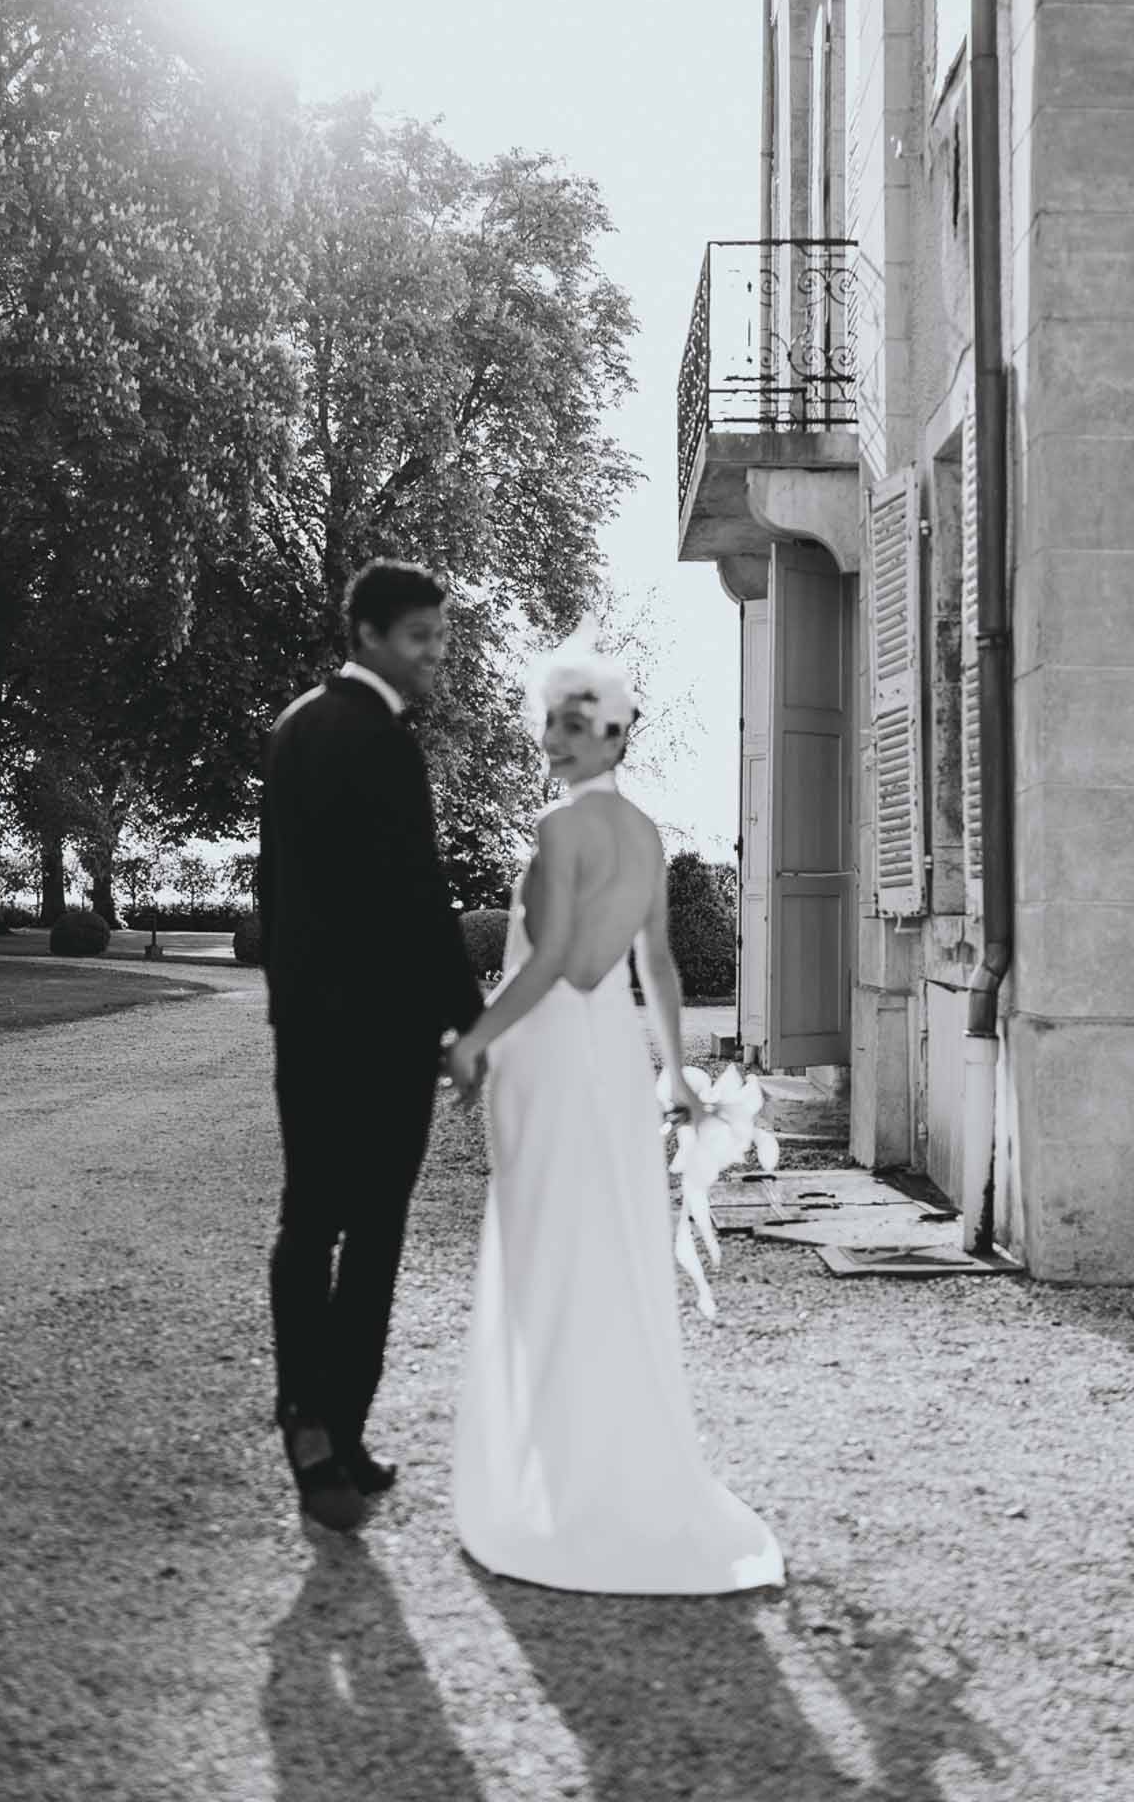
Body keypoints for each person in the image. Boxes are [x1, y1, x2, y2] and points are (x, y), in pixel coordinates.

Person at [447, 631, 784, 1593]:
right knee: (598, 1246)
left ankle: (559, 1481)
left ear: (611, 736)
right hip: (611, 1052)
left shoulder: (560, 833)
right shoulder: (647, 837)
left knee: (551, 1245)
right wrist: (672, 1071)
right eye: (549, 721)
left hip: (551, 1052)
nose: (553, 740)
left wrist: (473, 1039)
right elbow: (655, 967)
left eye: (574, 725)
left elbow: (553, 961)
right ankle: (594, 1463)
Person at [258, 559, 483, 1532]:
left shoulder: (296, 726)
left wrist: (294, 1006)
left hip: (308, 1029)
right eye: (421, 636)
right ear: (369, 636)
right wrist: (467, 1018)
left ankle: (317, 1423)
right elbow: (416, 895)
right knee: (375, 1231)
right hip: (383, 1036)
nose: (437, 652)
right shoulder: (383, 739)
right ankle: (332, 1425)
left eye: (439, 634)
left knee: (310, 1221)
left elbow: (278, 895)